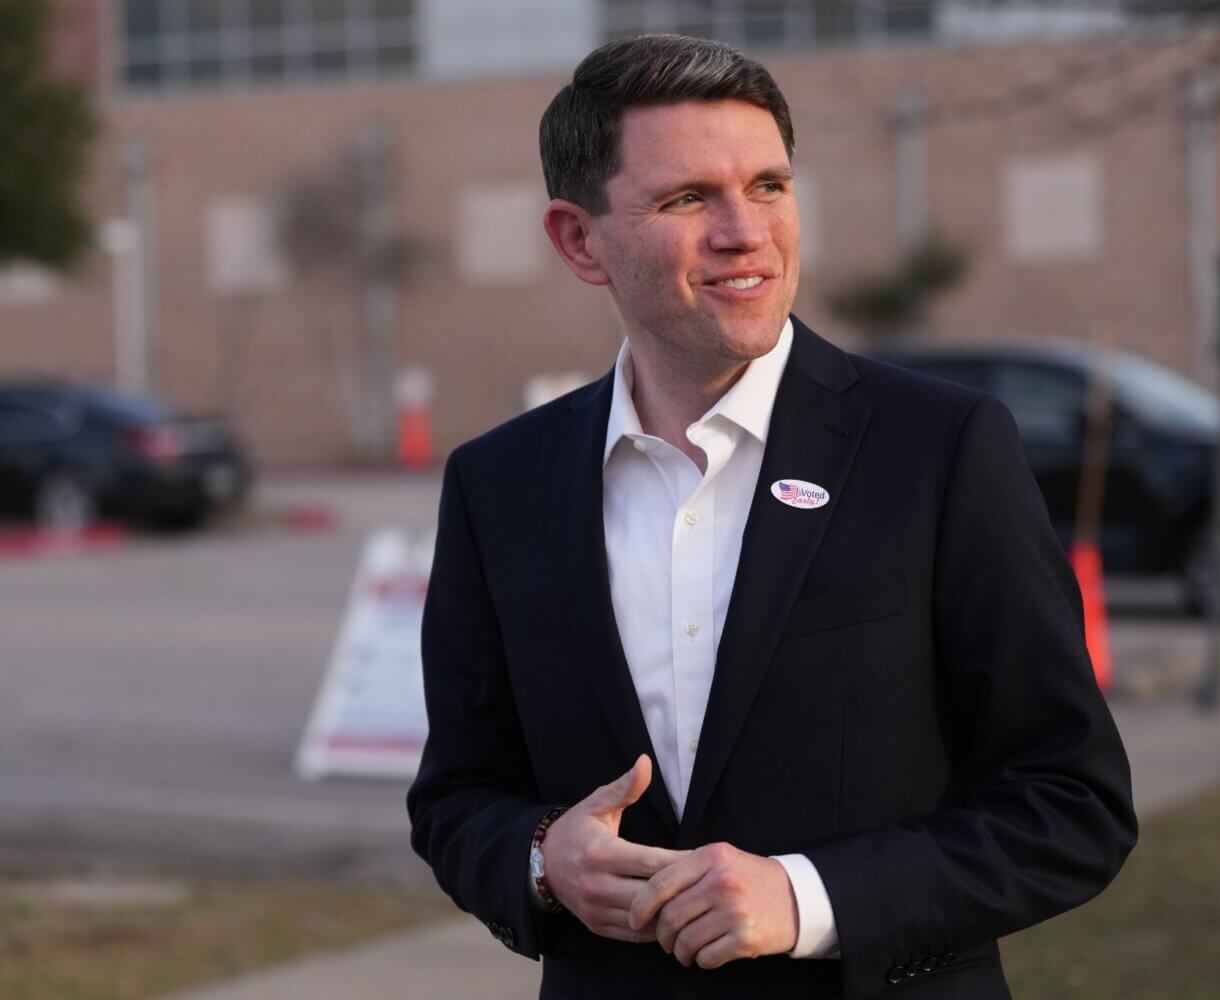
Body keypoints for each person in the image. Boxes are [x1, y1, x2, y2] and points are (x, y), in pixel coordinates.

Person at [408, 33, 1136, 1000]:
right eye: (685, 199)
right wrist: (544, 859)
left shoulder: (940, 449)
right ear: (580, 240)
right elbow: (457, 799)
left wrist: (808, 898)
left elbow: (1070, 803)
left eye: (768, 186)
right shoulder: (499, 484)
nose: (743, 231)